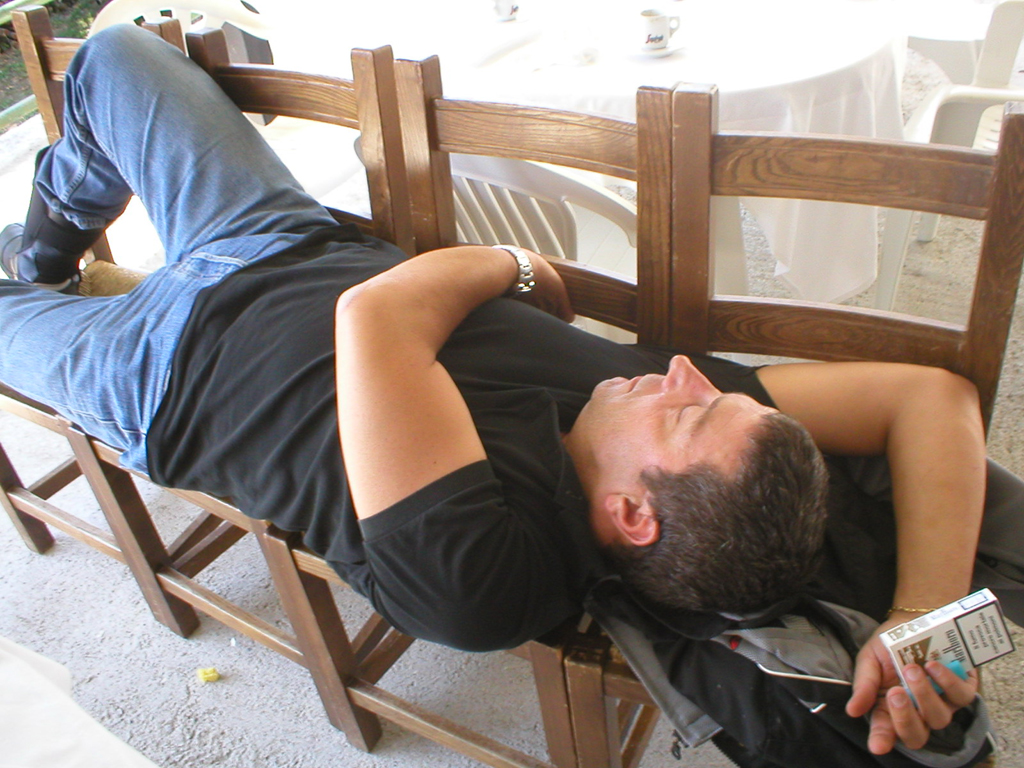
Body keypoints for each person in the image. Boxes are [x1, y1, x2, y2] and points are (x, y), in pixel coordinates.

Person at [0, 24, 1019, 759]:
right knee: (116, 56)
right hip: (280, 241)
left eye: (689, 408)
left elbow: (378, 319)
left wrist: (516, 268)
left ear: (631, 515)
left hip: (162, 375)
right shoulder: (692, 439)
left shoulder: (488, 580)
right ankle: (43, 249)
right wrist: (920, 617)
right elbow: (929, 399)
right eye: (710, 390)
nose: (683, 370)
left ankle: (32, 279)